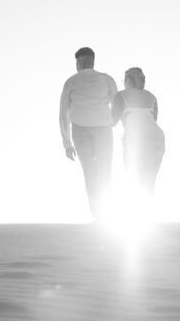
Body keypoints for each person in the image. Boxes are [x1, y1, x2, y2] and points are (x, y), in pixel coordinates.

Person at [59, 47, 118, 220]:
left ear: (78, 63)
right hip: (103, 128)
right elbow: (116, 104)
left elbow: (64, 114)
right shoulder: (106, 79)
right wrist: (114, 123)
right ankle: (108, 213)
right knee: (105, 170)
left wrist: (67, 143)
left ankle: (98, 214)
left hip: (80, 130)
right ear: (93, 61)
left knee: (90, 172)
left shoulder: (71, 81)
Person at [112, 67, 165, 198]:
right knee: (149, 179)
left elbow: (112, 121)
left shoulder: (121, 95)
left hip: (135, 140)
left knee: (134, 176)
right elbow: (152, 120)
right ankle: (148, 212)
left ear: (128, 80)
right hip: (156, 140)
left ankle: (137, 212)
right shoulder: (152, 97)